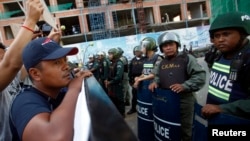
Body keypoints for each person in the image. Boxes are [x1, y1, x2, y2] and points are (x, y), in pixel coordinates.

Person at [10, 37, 92, 141]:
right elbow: (54, 137)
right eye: (57, 62)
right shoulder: (24, 101)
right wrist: (74, 88)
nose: (66, 66)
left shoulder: (59, 92)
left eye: (65, 60)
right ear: (36, 74)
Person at [148, 32, 206, 141]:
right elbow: (158, 76)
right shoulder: (161, 62)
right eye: (165, 46)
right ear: (161, 48)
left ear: (177, 45)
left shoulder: (187, 58)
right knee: (170, 128)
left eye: (171, 44)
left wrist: (185, 86)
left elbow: (200, 76)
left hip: (184, 100)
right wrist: (155, 82)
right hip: (166, 101)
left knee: (186, 129)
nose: (168, 48)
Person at [0, 1, 43, 140]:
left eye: (3, 56)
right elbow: (11, 64)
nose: (2, 59)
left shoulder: (11, 77)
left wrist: (41, 41)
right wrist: (30, 21)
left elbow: (21, 65)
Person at [201, 12, 250, 121]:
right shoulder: (219, 55)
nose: (220, 39)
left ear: (242, 34)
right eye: (216, 36)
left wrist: (222, 108)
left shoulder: (247, 59)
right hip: (217, 120)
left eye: (226, 34)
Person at [105, 48, 125, 117]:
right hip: (112, 86)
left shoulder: (119, 63)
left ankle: (122, 115)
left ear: (115, 55)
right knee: (114, 100)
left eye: (111, 54)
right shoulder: (112, 63)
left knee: (119, 100)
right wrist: (107, 80)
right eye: (109, 54)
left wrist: (110, 82)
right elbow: (110, 73)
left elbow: (118, 77)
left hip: (117, 85)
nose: (109, 56)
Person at [127, 45, 145, 115]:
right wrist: (130, 80)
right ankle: (133, 108)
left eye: (139, 51)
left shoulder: (145, 59)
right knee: (134, 95)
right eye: (136, 51)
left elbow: (148, 70)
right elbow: (130, 71)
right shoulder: (132, 60)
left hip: (144, 79)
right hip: (134, 80)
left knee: (144, 95)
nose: (137, 52)